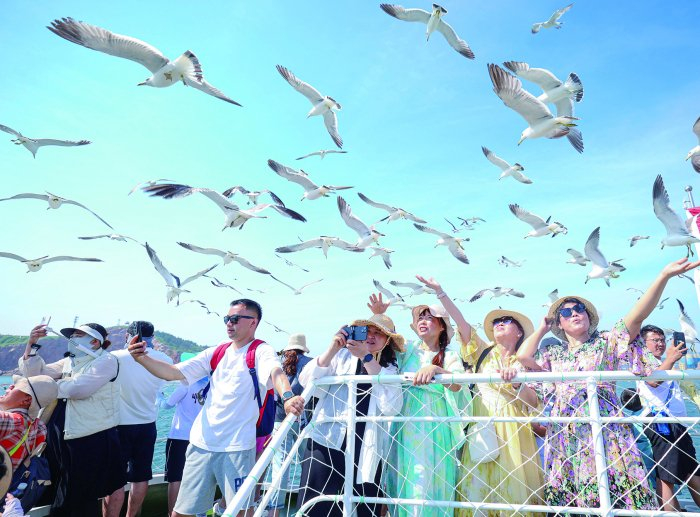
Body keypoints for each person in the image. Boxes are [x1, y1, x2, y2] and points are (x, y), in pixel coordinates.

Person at [517, 258, 700, 511]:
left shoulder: (605, 343)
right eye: (566, 313)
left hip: (606, 429)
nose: (574, 313)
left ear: (588, 315)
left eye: (579, 308)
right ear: (559, 323)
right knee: (573, 497)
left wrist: (663, 276)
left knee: (615, 490)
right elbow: (523, 357)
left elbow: (636, 317)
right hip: (566, 433)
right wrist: (541, 329)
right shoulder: (553, 354)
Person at [127, 299, 304, 517]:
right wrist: (141, 358)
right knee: (181, 512)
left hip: (237, 448)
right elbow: (173, 372)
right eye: (227, 318)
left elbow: (276, 372)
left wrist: (287, 397)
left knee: (241, 512)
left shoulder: (261, 351)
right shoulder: (217, 352)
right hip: (200, 445)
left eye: (235, 319)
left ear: (253, 322)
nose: (229, 323)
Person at [297, 313, 404, 517]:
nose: (371, 336)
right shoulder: (341, 356)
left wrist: (366, 357)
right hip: (327, 438)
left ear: (388, 340)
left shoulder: (389, 367)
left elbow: (391, 406)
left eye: (379, 333)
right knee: (315, 505)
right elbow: (307, 381)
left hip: (368, 446)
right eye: (367, 331)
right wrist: (333, 348)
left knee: (366, 508)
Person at [380, 276, 466, 517]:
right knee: (407, 475)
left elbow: (458, 385)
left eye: (429, 317)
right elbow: (381, 343)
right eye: (420, 318)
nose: (423, 321)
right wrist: (379, 314)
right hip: (406, 422)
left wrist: (436, 369)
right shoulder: (406, 350)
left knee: (430, 477)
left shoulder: (449, 355)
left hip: (434, 424)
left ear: (442, 326)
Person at [19, 322, 124, 517]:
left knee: (79, 493)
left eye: (78, 335)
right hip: (61, 433)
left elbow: (79, 389)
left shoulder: (107, 360)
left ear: (95, 342)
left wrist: (47, 386)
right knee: (57, 485)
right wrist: (32, 345)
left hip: (88, 436)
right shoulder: (69, 361)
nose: (72, 338)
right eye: (73, 335)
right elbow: (35, 375)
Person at [456, 308, 544, 517]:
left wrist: (517, 383)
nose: (499, 323)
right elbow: (462, 324)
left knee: (513, 487)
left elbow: (534, 403)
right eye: (496, 321)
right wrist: (441, 294)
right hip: (483, 425)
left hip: (515, 430)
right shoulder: (482, 352)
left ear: (519, 332)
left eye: (506, 320)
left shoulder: (525, 361)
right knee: (478, 489)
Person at [103, 321, 174, 517]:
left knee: (114, 479)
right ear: (153, 337)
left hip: (119, 425)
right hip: (147, 425)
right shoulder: (165, 359)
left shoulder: (115, 357)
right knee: (141, 477)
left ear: (128, 336)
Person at [637, 324, 700, 510]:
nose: (660, 344)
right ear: (643, 343)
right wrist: (671, 359)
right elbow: (653, 381)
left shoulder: (663, 363)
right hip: (660, 423)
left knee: (692, 471)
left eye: (662, 340)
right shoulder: (641, 361)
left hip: (676, 425)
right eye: (654, 340)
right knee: (666, 477)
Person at [267, 333, 312, 517]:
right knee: (307, 465)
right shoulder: (310, 363)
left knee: (280, 468)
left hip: (280, 419)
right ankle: (308, 507)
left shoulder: (279, 365)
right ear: (304, 348)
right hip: (303, 419)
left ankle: (274, 511)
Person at [159, 353, 209, 517]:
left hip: (179, 437)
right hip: (200, 438)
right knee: (197, 478)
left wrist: (159, 396)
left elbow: (166, 405)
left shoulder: (185, 385)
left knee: (175, 478)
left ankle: (172, 513)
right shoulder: (209, 386)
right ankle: (199, 513)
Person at [0, 376, 57, 471]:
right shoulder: (39, 426)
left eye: (15, 387)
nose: (10, 387)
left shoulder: (13, 421)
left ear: (26, 400)